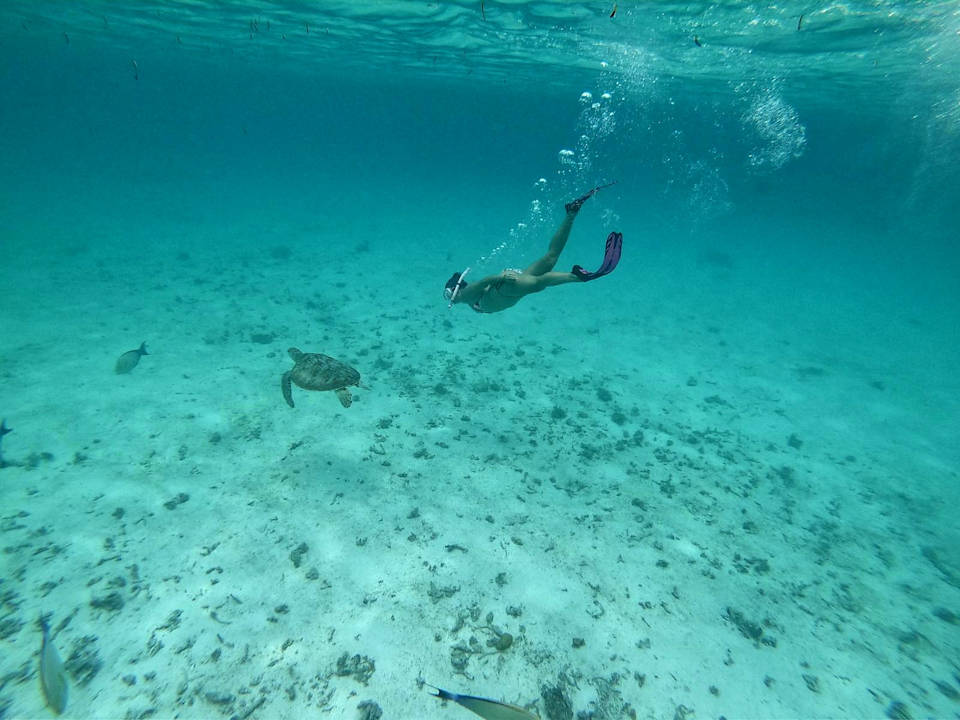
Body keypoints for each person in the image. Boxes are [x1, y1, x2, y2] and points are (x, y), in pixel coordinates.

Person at [444, 184, 623, 314]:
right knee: (550, 258)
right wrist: (500, 277)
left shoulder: (465, 295)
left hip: (506, 287)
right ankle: (571, 213)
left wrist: (500, 276)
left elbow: (483, 283)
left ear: (455, 290)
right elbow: (482, 287)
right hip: (505, 286)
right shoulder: (468, 299)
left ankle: (578, 277)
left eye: (448, 293)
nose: (450, 297)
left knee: (539, 283)